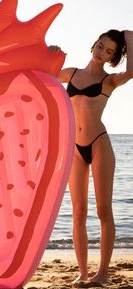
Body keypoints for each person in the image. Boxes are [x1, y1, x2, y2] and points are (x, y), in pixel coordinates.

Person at [49, 30, 133, 284]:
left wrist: (129, 37)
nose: (101, 52)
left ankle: (103, 273)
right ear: (93, 45)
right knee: (78, 212)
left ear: (112, 57)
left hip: (99, 145)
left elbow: (131, 73)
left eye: (108, 51)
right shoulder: (71, 73)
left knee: (103, 210)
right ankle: (83, 273)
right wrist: (48, 53)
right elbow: (42, 74)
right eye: (100, 45)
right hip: (74, 147)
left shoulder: (109, 81)